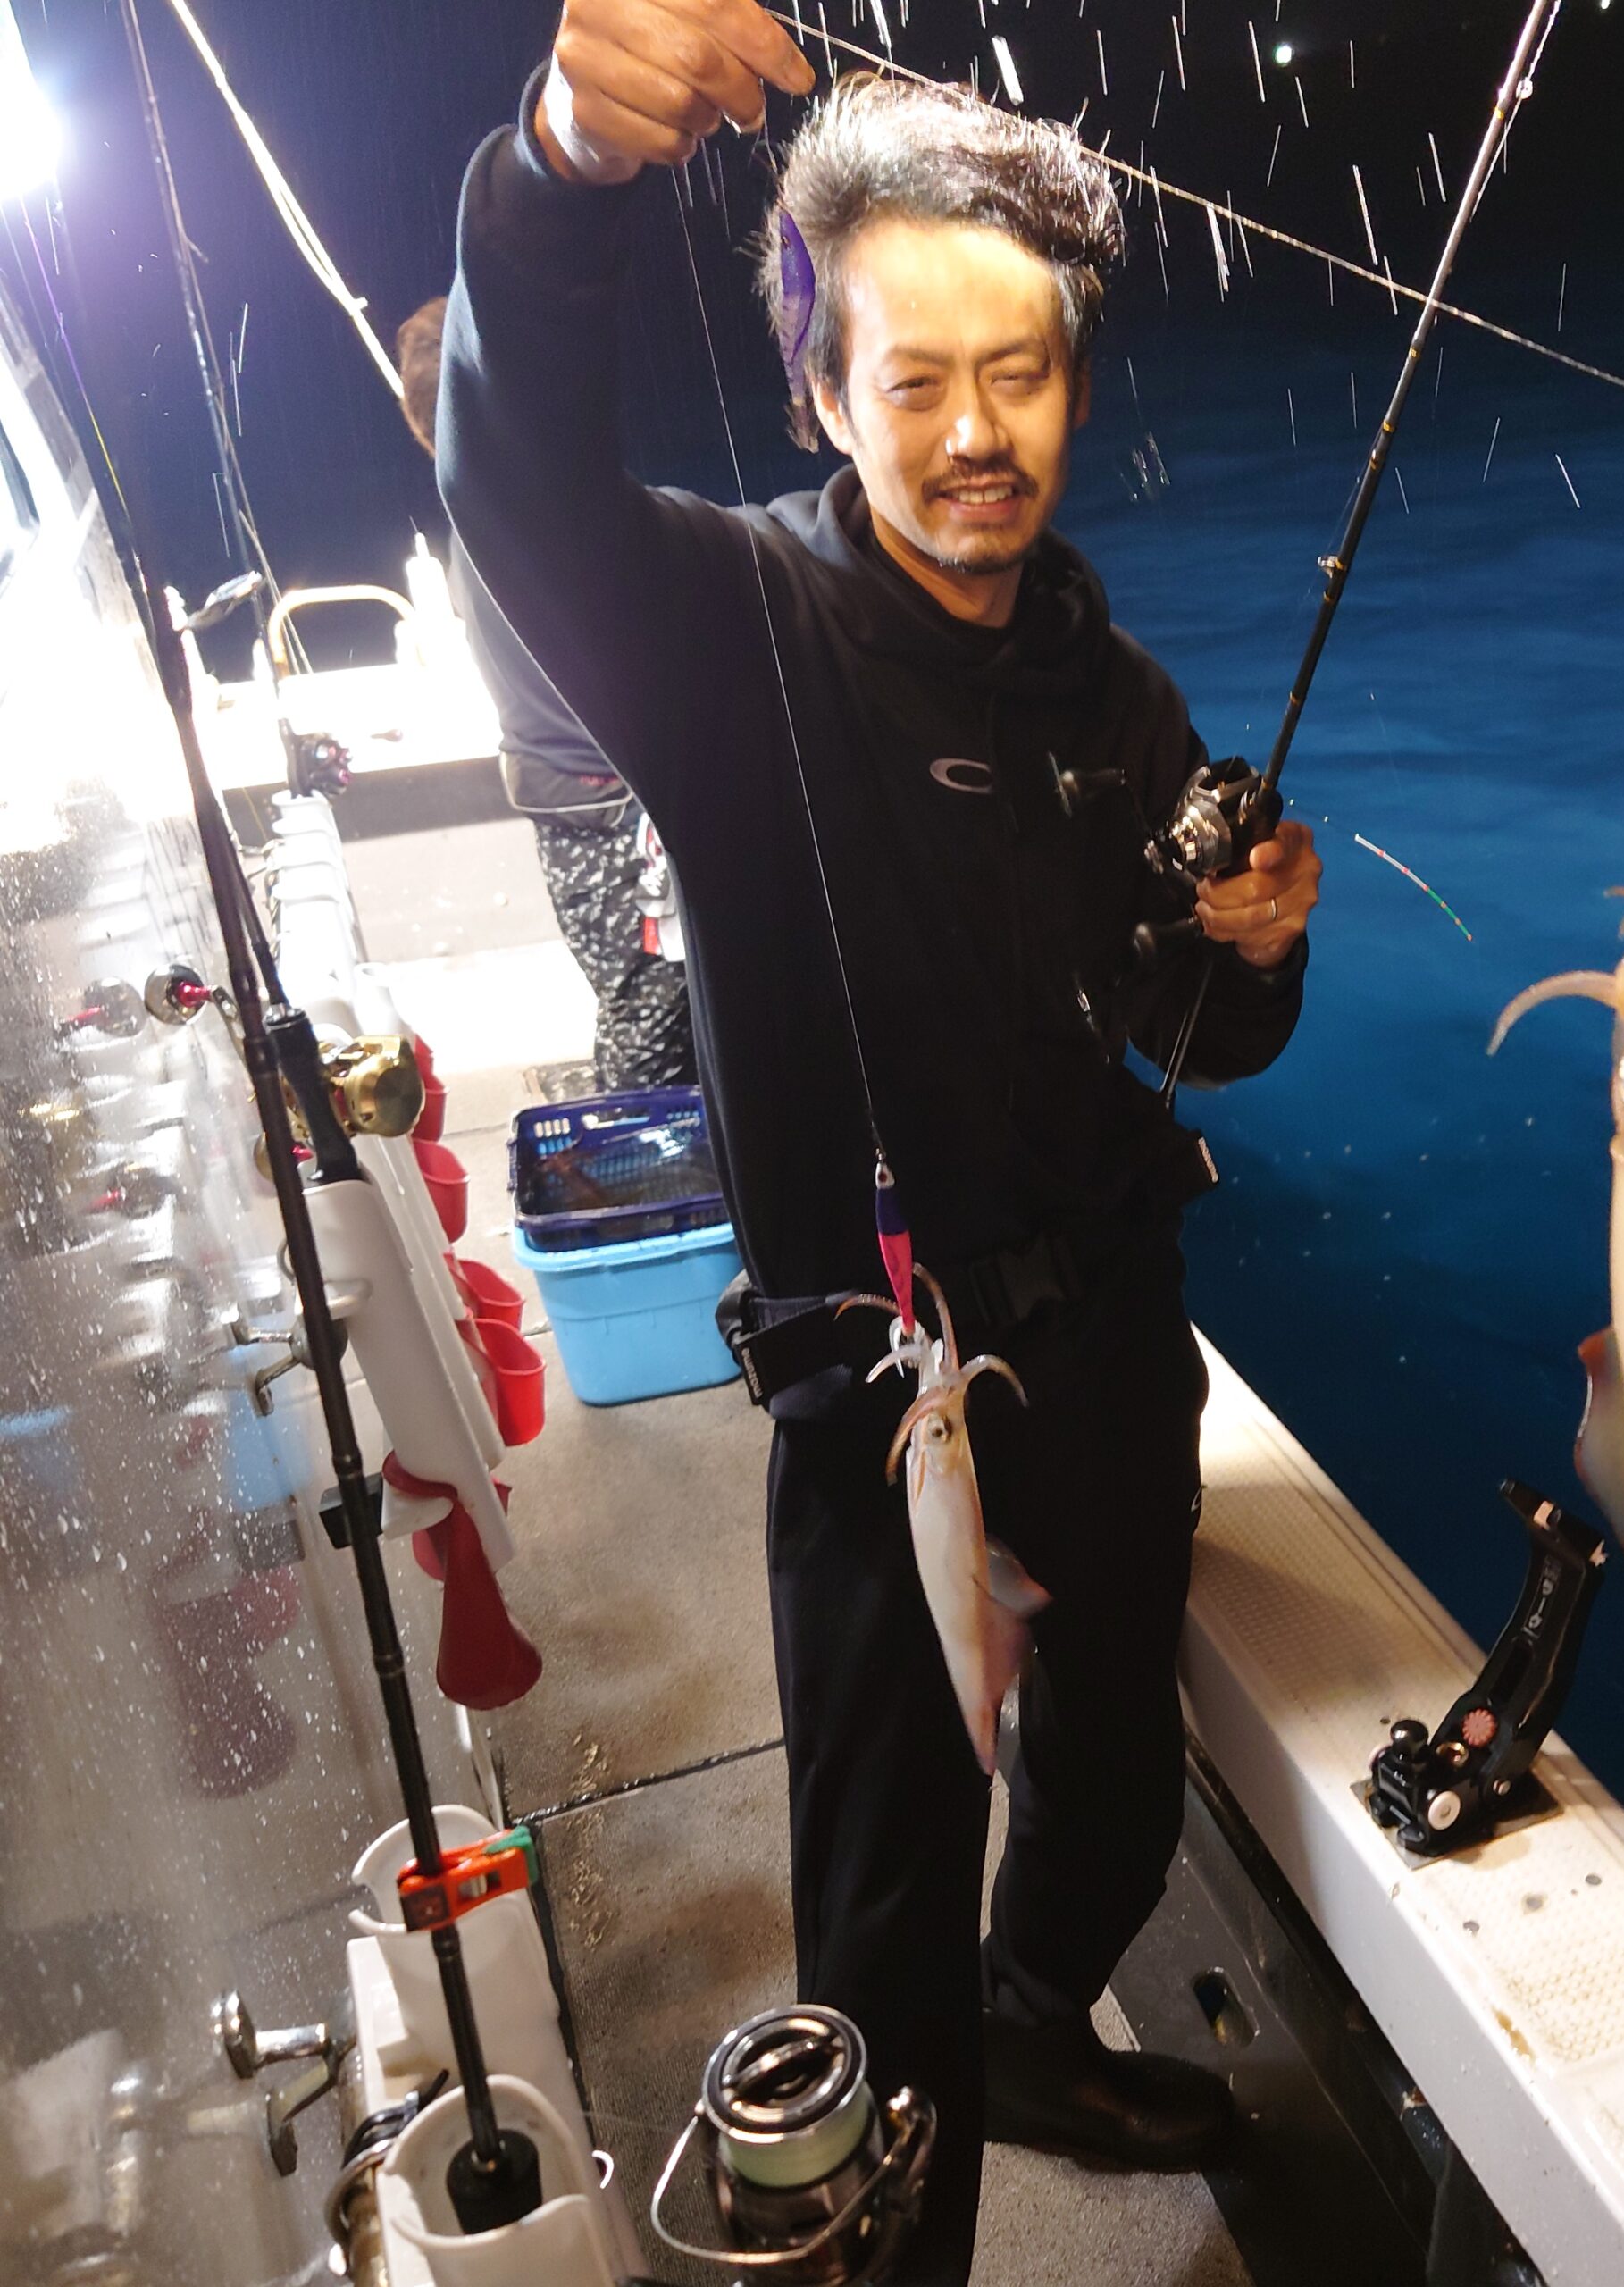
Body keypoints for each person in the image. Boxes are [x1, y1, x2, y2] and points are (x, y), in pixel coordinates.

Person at [440, 6, 1322, 2278]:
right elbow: (516, 479)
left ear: (1073, 383)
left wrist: (1252, 943)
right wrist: (560, 163)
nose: (971, 432)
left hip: (1110, 1345)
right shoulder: (722, 628)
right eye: (911, 379)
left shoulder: (1113, 695)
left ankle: (1041, 2015)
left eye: (1015, 373)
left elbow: (1190, 1036)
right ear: (822, 392)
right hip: (878, 1391)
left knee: (1111, 1773)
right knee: (880, 1904)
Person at [396, 299, 695, 1093]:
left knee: (641, 1013)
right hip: (618, 821)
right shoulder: (544, 508)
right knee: (653, 1030)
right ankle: (640, 1169)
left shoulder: (475, 520)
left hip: (569, 813)